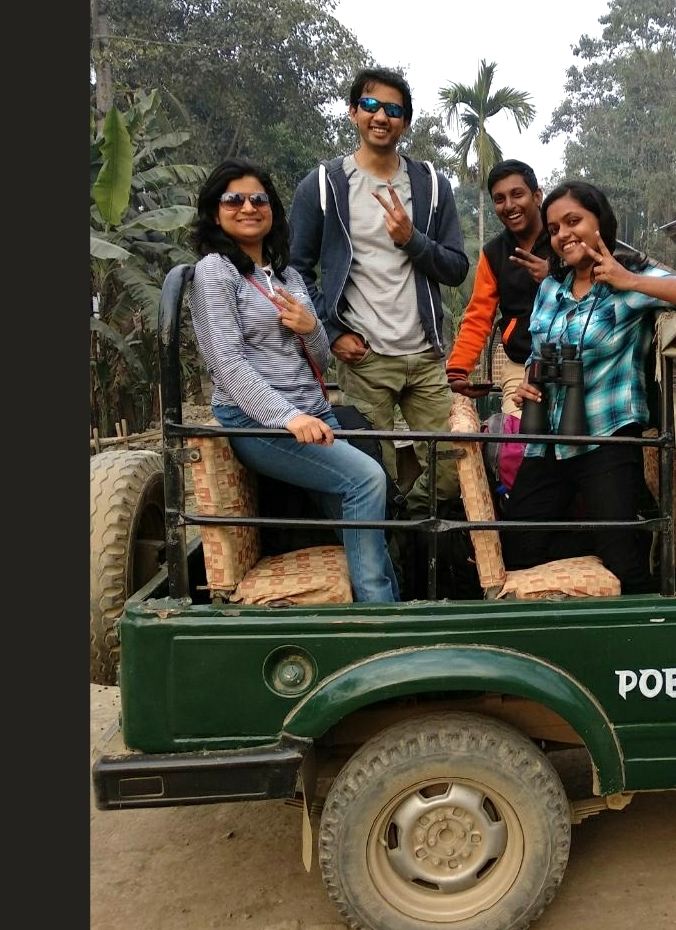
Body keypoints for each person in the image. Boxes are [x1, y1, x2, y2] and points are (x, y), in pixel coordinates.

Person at [187, 157, 400, 604]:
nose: (249, 207)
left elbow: (319, 358)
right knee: (367, 479)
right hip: (260, 423)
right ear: (215, 212)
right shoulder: (216, 271)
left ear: (273, 211)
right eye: (234, 199)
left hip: (314, 414)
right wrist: (288, 417)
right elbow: (226, 363)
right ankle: (381, 617)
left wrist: (312, 327)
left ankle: (389, 608)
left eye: (259, 199)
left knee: (364, 519)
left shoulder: (287, 275)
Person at [502, 180, 676, 593]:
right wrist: (528, 384)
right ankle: (598, 545)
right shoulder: (550, 287)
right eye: (554, 228)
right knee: (518, 546)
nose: (563, 234)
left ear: (599, 221)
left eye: (573, 221)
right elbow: (537, 352)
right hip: (548, 438)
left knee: (623, 563)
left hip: (606, 437)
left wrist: (631, 281)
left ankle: (643, 606)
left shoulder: (628, 281)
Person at [289, 66, 469, 517]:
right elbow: (295, 270)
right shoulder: (324, 185)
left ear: (405, 122)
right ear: (353, 112)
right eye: (370, 105)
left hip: (425, 354)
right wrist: (332, 333)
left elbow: (455, 267)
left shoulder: (430, 185)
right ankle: (393, 542)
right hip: (364, 360)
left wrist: (412, 240)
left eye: (393, 109)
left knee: (452, 467)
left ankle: (407, 520)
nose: (381, 116)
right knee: (372, 476)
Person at [446, 159, 552, 418]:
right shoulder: (494, 253)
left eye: (517, 194)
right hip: (521, 364)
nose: (509, 205)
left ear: (537, 196)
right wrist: (459, 369)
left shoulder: (562, 237)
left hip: (574, 362)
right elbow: (479, 315)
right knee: (518, 434)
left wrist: (552, 277)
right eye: (499, 199)